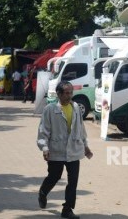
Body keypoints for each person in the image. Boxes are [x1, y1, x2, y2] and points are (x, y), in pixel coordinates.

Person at [37, 81, 93, 219]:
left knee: (73, 181)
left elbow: (81, 128)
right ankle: (43, 192)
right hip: (56, 150)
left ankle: (67, 209)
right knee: (54, 176)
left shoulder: (75, 107)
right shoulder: (50, 109)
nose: (69, 96)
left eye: (71, 93)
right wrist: (44, 148)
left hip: (74, 150)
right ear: (59, 94)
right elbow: (43, 131)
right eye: (66, 93)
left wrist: (85, 145)